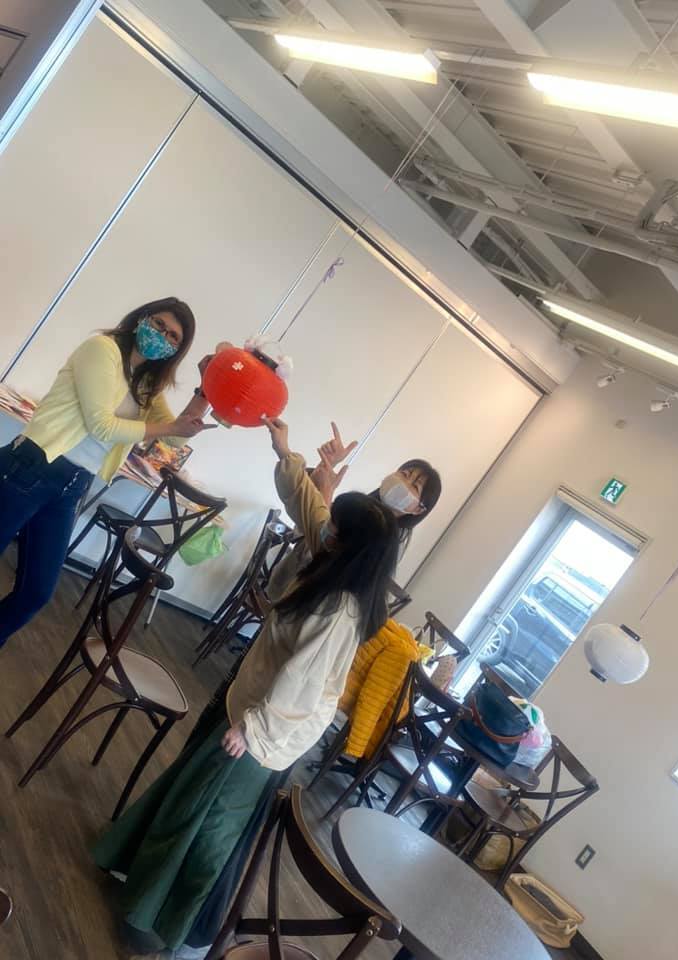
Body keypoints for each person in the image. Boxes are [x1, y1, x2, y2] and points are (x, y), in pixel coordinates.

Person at [92, 416, 399, 958]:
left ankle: (163, 926)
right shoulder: (337, 558)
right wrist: (287, 452)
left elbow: (303, 685)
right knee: (187, 800)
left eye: (335, 529)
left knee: (207, 828)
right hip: (250, 705)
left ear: (350, 544)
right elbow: (310, 506)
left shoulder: (340, 608)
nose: (325, 529)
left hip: (263, 735)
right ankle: (137, 883)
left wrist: (253, 729)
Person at [0, 298, 212, 646]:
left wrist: (206, 390)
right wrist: (167, 427)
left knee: (35, 592)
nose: (162, 336)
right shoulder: (102, 349)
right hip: (33, 465)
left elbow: (174, 437)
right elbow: (101, 425)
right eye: (159, 324)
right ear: (141, 319)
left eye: (173, 337)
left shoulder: (147, 383)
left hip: (71, 485)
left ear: (177, 350)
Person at [267, 421, 442, 603]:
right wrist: (325, 468)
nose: (404, 482)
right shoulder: (359, 507)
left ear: (418, 509)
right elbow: (307, 513)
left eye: (415, 486)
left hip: (305, 602)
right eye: (405, 474)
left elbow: (327, 549)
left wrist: (325, 493)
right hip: (286, 583)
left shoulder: (386, 543)